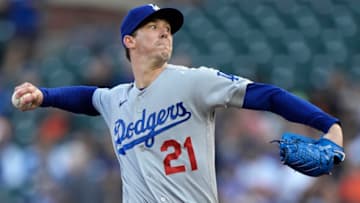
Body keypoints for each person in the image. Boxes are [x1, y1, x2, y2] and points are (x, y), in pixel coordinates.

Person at [12, 4, 344, 203]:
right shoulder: (118, 99)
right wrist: (44, 96)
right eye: (153, 27)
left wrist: (328, 124)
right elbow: (89, 98)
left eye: (168, 29)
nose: (164, 33)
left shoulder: (193, 80)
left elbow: (266, 94)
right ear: (129, 41)